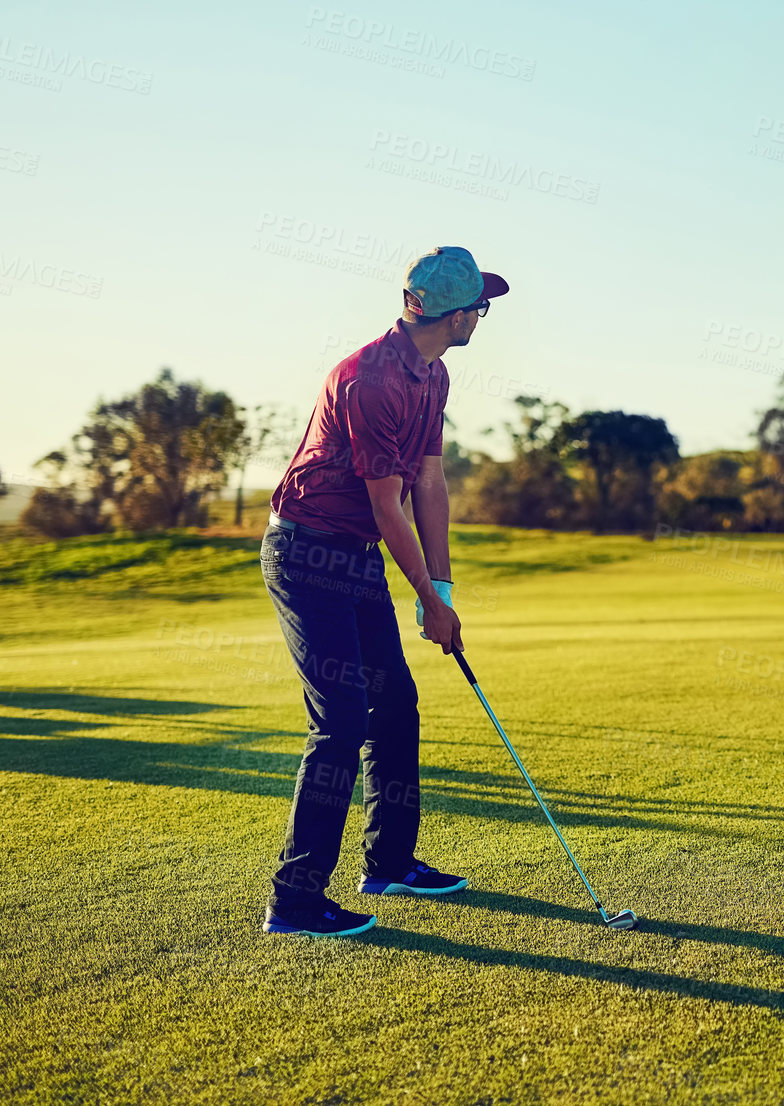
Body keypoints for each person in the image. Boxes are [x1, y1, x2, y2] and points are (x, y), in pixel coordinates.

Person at [258, 246, 508, 937]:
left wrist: (445, 587)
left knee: (395, 701)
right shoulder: (370, 380)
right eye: (479, 308)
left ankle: (390, 863)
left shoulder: (432, 376)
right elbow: (386, 504)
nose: (482, 318)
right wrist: (428, 603)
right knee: (339, 719)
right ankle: (296, 901)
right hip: (307, 551)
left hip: (356, 553)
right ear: (454, 313)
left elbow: (428, 482)